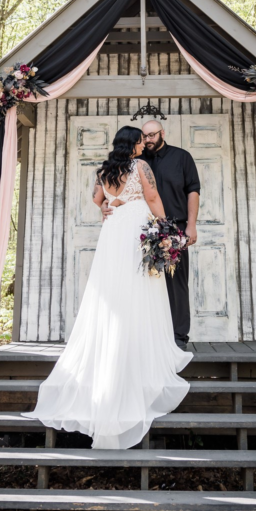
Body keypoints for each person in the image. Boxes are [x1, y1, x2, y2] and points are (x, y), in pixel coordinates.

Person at [24, 125, 192, 449]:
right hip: (136, 229)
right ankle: (140, 353)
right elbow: (153, 196)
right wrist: (165, 226)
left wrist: (104, 207)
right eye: (141, 140)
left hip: (113, 232)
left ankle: (115, 348)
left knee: (114, 290)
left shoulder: (103, 171)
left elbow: (96, 198)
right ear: (133, 143)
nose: (144, 144)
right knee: (141, 289)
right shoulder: (140, 166)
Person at [102, 119, 200, 349]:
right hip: (141, 231)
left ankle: (178, 337)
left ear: (162, 133)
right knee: (143, 283)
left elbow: (193, 191)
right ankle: (147, 337)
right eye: (144, 137)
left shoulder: (181, 157)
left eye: (152, 135)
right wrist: (104, 207)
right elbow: (112, 192)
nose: (148, 140)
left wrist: (191, 225)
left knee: (176, 283)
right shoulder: (134, 162)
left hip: (175, 227)